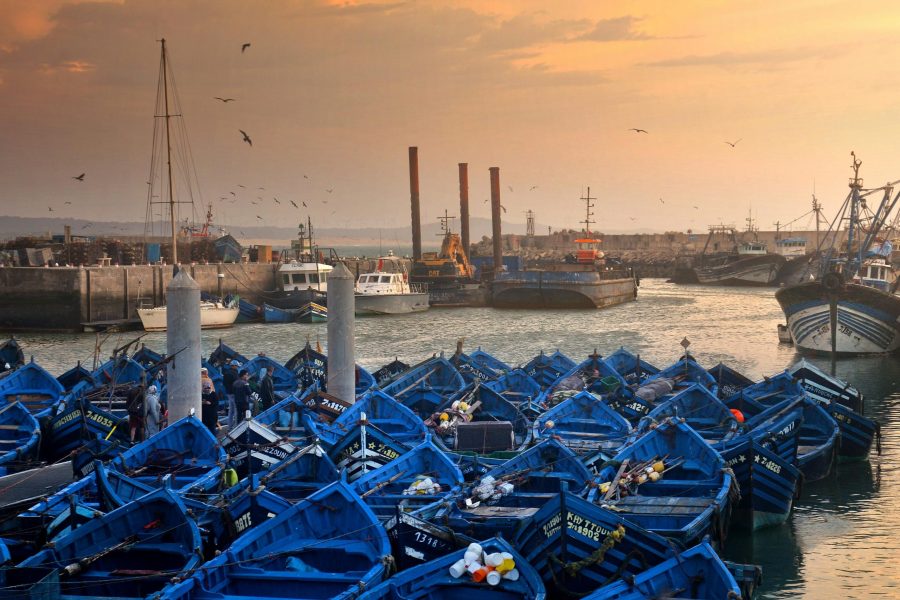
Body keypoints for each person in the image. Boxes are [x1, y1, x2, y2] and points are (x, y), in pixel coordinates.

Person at [201, 369, 219, 435]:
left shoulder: (198, 379)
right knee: (212, 429)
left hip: (206, 416)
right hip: (211, 416)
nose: (207, 389)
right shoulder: (209, 380)